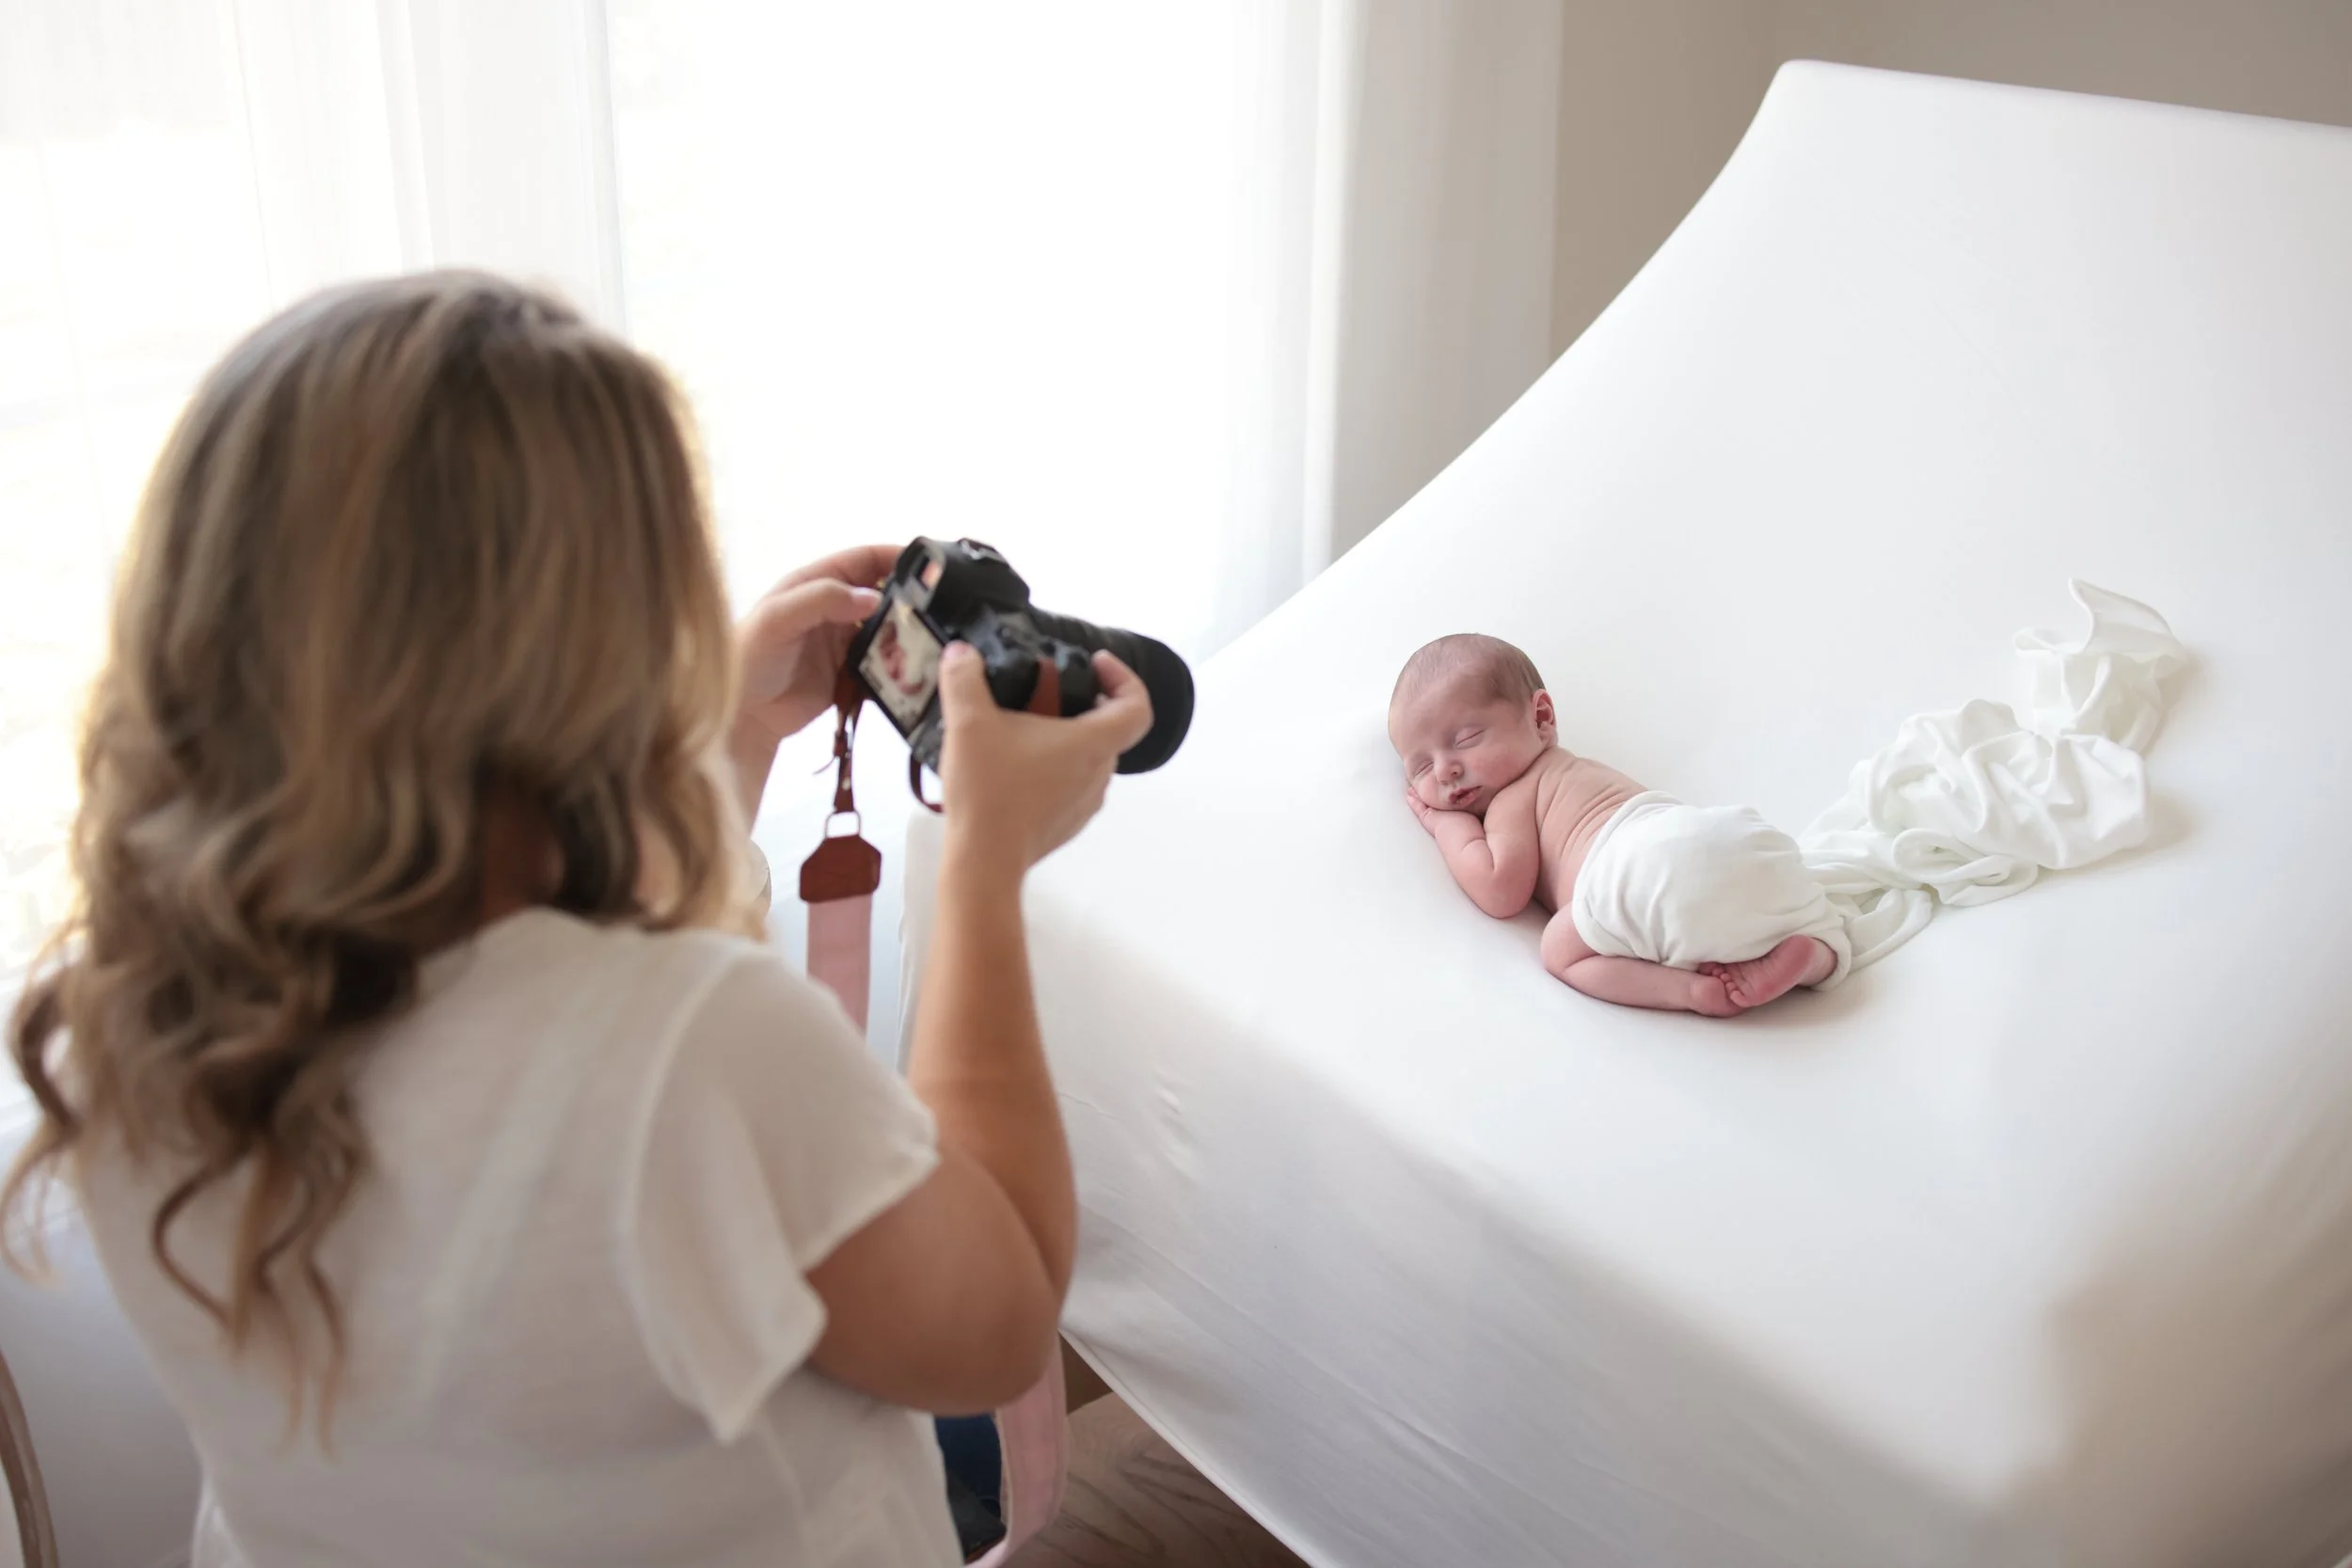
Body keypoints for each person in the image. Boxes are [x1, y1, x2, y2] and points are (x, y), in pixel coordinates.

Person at [0, 273, 1151, 1567]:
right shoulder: (694, 1048)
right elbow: (994, 1319)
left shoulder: (125, 1018)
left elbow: (550, 1055)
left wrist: (722, 749)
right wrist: (983, 864)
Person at [1388, 634, 1846, 1015]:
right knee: (1806, 918)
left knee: (1560, 950)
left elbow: (1500, 889)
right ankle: (1816, 956)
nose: (1445, 770)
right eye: (1421, 768)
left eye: (1466, 739)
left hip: (1638, 864)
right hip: (1725, 838)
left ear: (1541, 718)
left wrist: (1445, 825)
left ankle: (1690, 990)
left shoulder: (1515, 794)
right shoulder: (1584, 770)